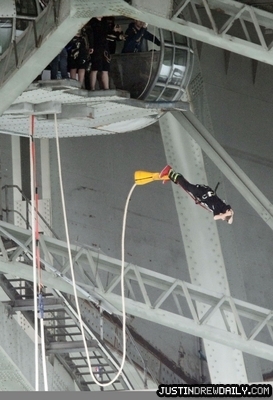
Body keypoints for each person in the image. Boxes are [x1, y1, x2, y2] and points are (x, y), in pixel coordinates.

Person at [160, 165, 234, 224]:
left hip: (203, 193)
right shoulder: (219, 208)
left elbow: (230, 219)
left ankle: (170, 176)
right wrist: (223, 216)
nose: (223, 219)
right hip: (201, 192)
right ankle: (169, 171)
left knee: (187, 186)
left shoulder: (225, 207)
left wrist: (228, 215)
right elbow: (215, 217)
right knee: (186, 186)